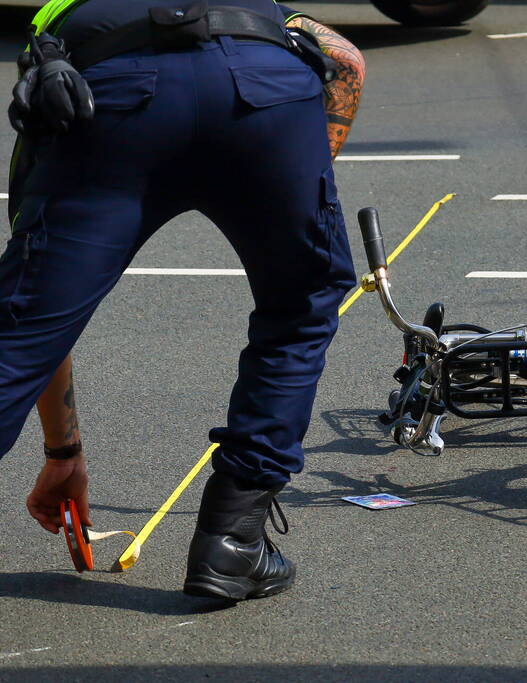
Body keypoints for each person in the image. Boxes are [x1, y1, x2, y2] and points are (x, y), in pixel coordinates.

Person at [3, 0, 366, 600]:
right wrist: (298, 169)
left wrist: (63, 450)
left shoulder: (57, 20)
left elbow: (31, 323)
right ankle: (233, 542)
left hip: (115, 101)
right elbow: (345, 60)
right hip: (266, 97)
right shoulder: (264, 8)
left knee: (22, 327)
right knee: (299, 303)